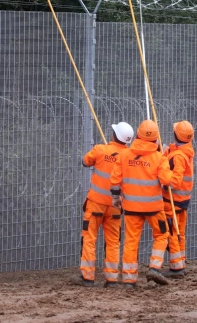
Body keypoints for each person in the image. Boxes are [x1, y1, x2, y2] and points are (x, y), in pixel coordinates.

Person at [71, 122, 135, 288]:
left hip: (95, 204)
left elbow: (85, 161)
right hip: (115, 205)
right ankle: (112, 278)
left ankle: (87, 277)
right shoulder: (129, 156)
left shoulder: (100, 150)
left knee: (89, 238)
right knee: (113, 241)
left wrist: (104, 154)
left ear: (114, 135)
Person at [110, 119, 172, 288]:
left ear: (137, 135)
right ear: (156, 139)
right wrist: (164, 156)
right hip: (154, 208)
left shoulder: (124, 155)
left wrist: (116, 198)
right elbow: (166, 181)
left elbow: (115, 180)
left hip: (131, 208)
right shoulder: (159, 158)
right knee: (161, 235)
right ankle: (154, 267)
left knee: (131, 241)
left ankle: (129, 280)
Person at [162, 121, 195, 278]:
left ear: (176, 134)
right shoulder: (184, 152)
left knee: (172, 233)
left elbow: (174, 181)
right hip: (182, 200)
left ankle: (176, 267)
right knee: (180, 232)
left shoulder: (179, 157)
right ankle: (181, 261)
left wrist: (163, 175)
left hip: (172, 201)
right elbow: (170, 155)